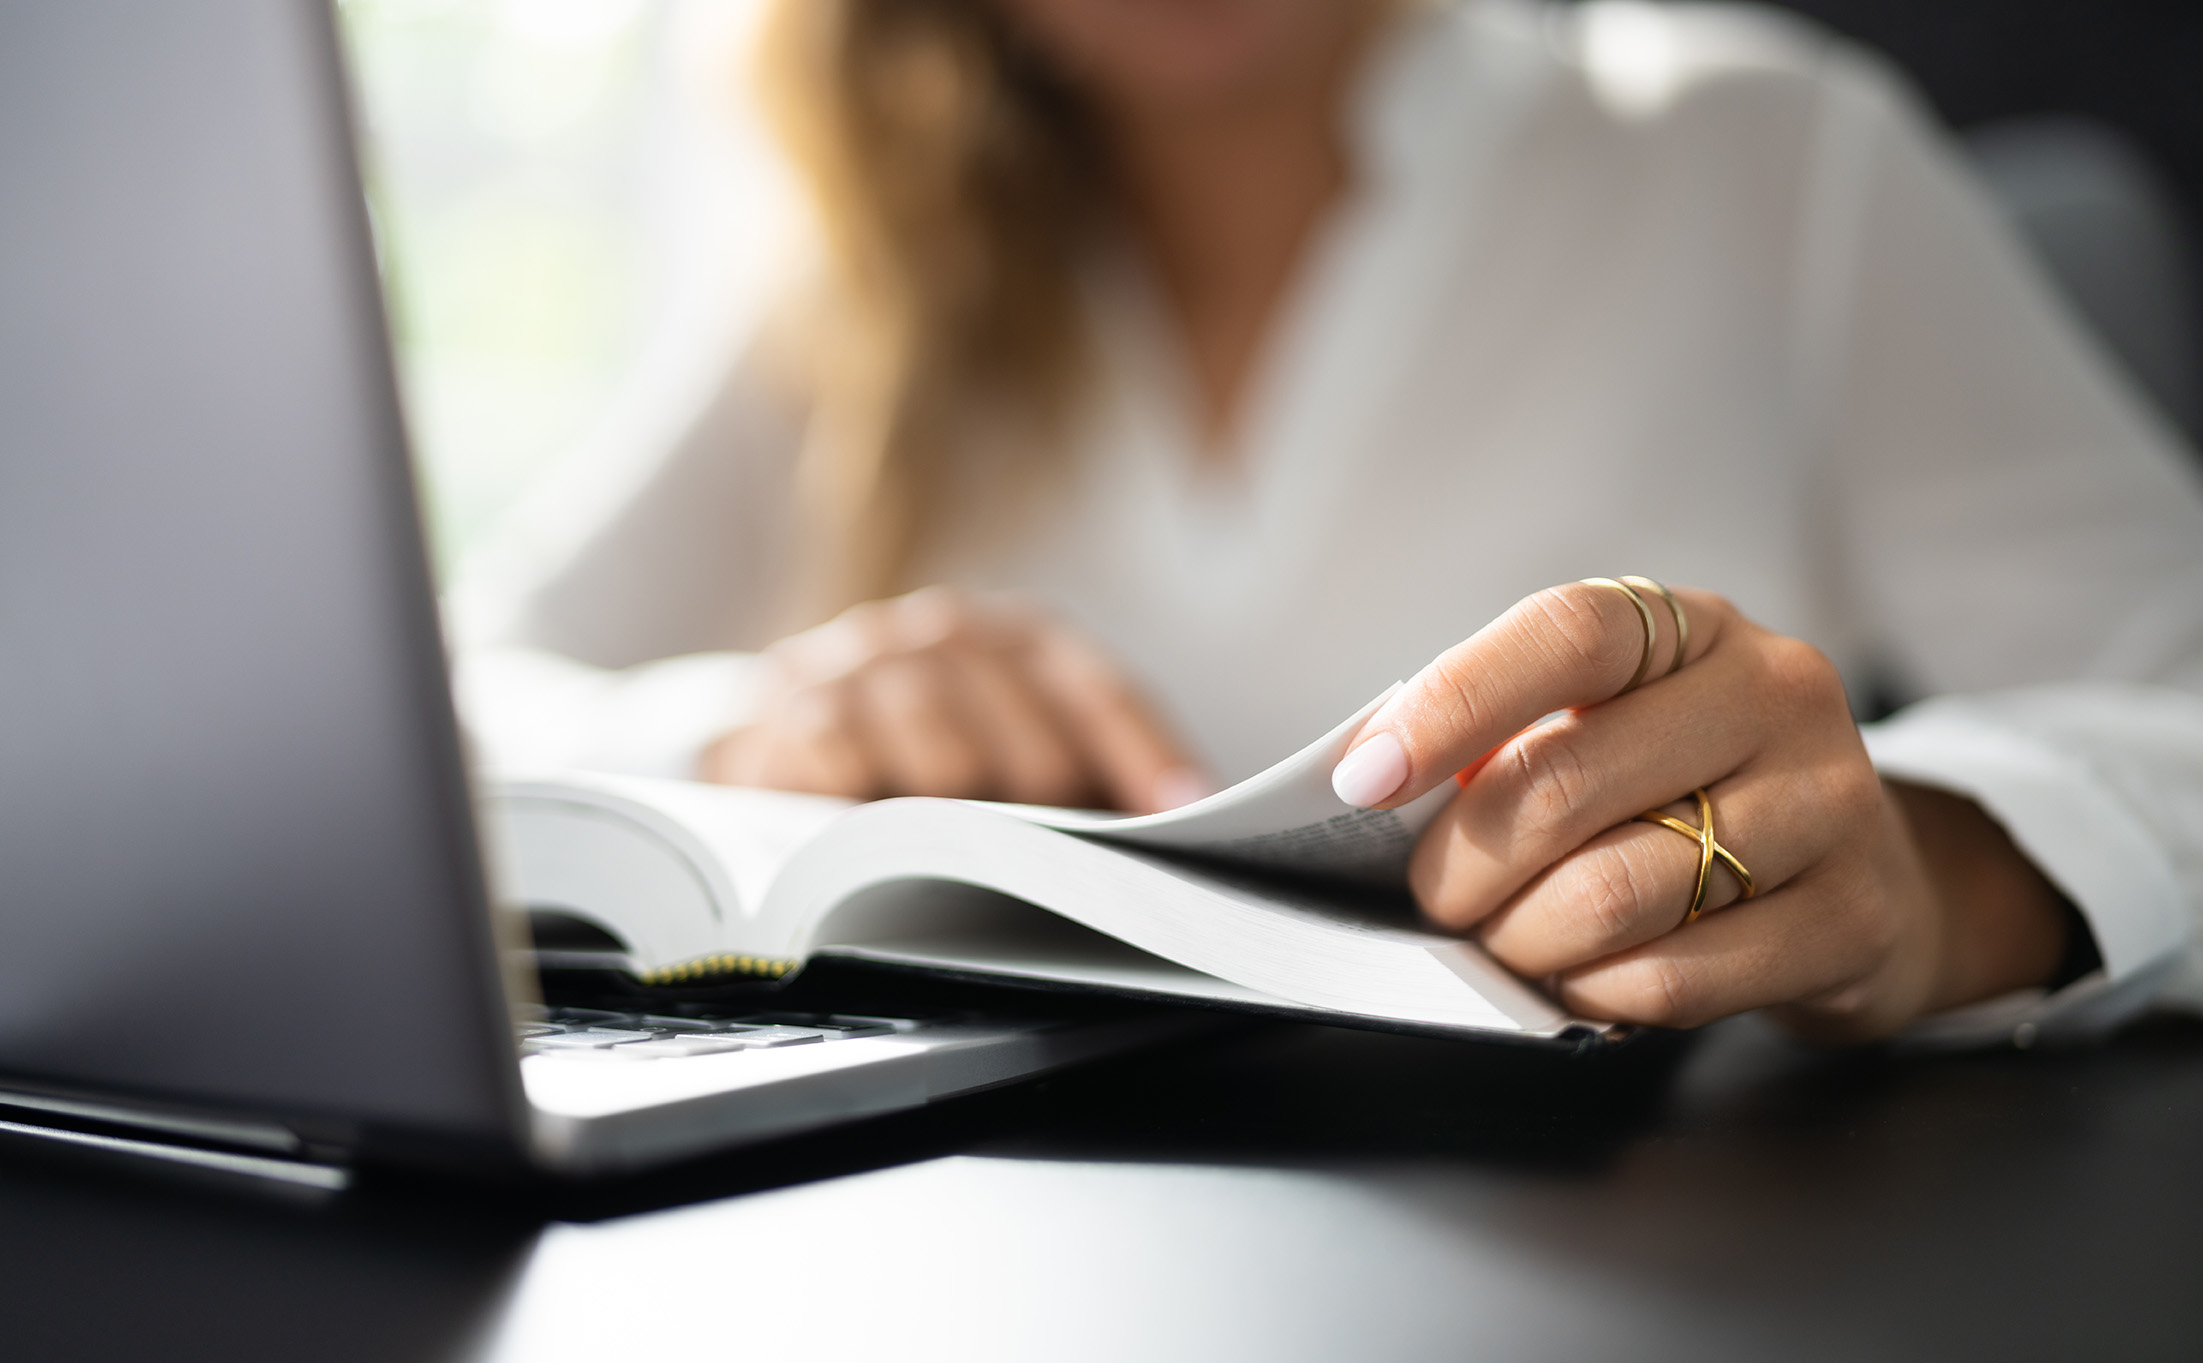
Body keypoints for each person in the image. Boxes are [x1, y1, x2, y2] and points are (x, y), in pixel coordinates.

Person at [456, 0, 2203, 1045]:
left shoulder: (1765, 158)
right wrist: (753, 718)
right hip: (993, 1299)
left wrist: (1938, 873)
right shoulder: (850, 281)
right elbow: (442, 704)